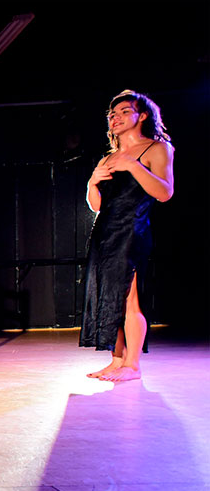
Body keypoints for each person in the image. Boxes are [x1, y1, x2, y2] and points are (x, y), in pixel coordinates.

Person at [81, 90, 174, 382]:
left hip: (131, 229)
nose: (116, 118)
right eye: (112, 114)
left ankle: (132, 365)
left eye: (124, 112)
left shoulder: (156, 148)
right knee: (110, 298)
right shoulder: (109, 157)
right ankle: (117, 360)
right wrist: (92, 184)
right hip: (104, 231)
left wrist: (133, 165)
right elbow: (96, 206)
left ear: (142, 116)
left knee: (129, 298)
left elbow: (165, 193)